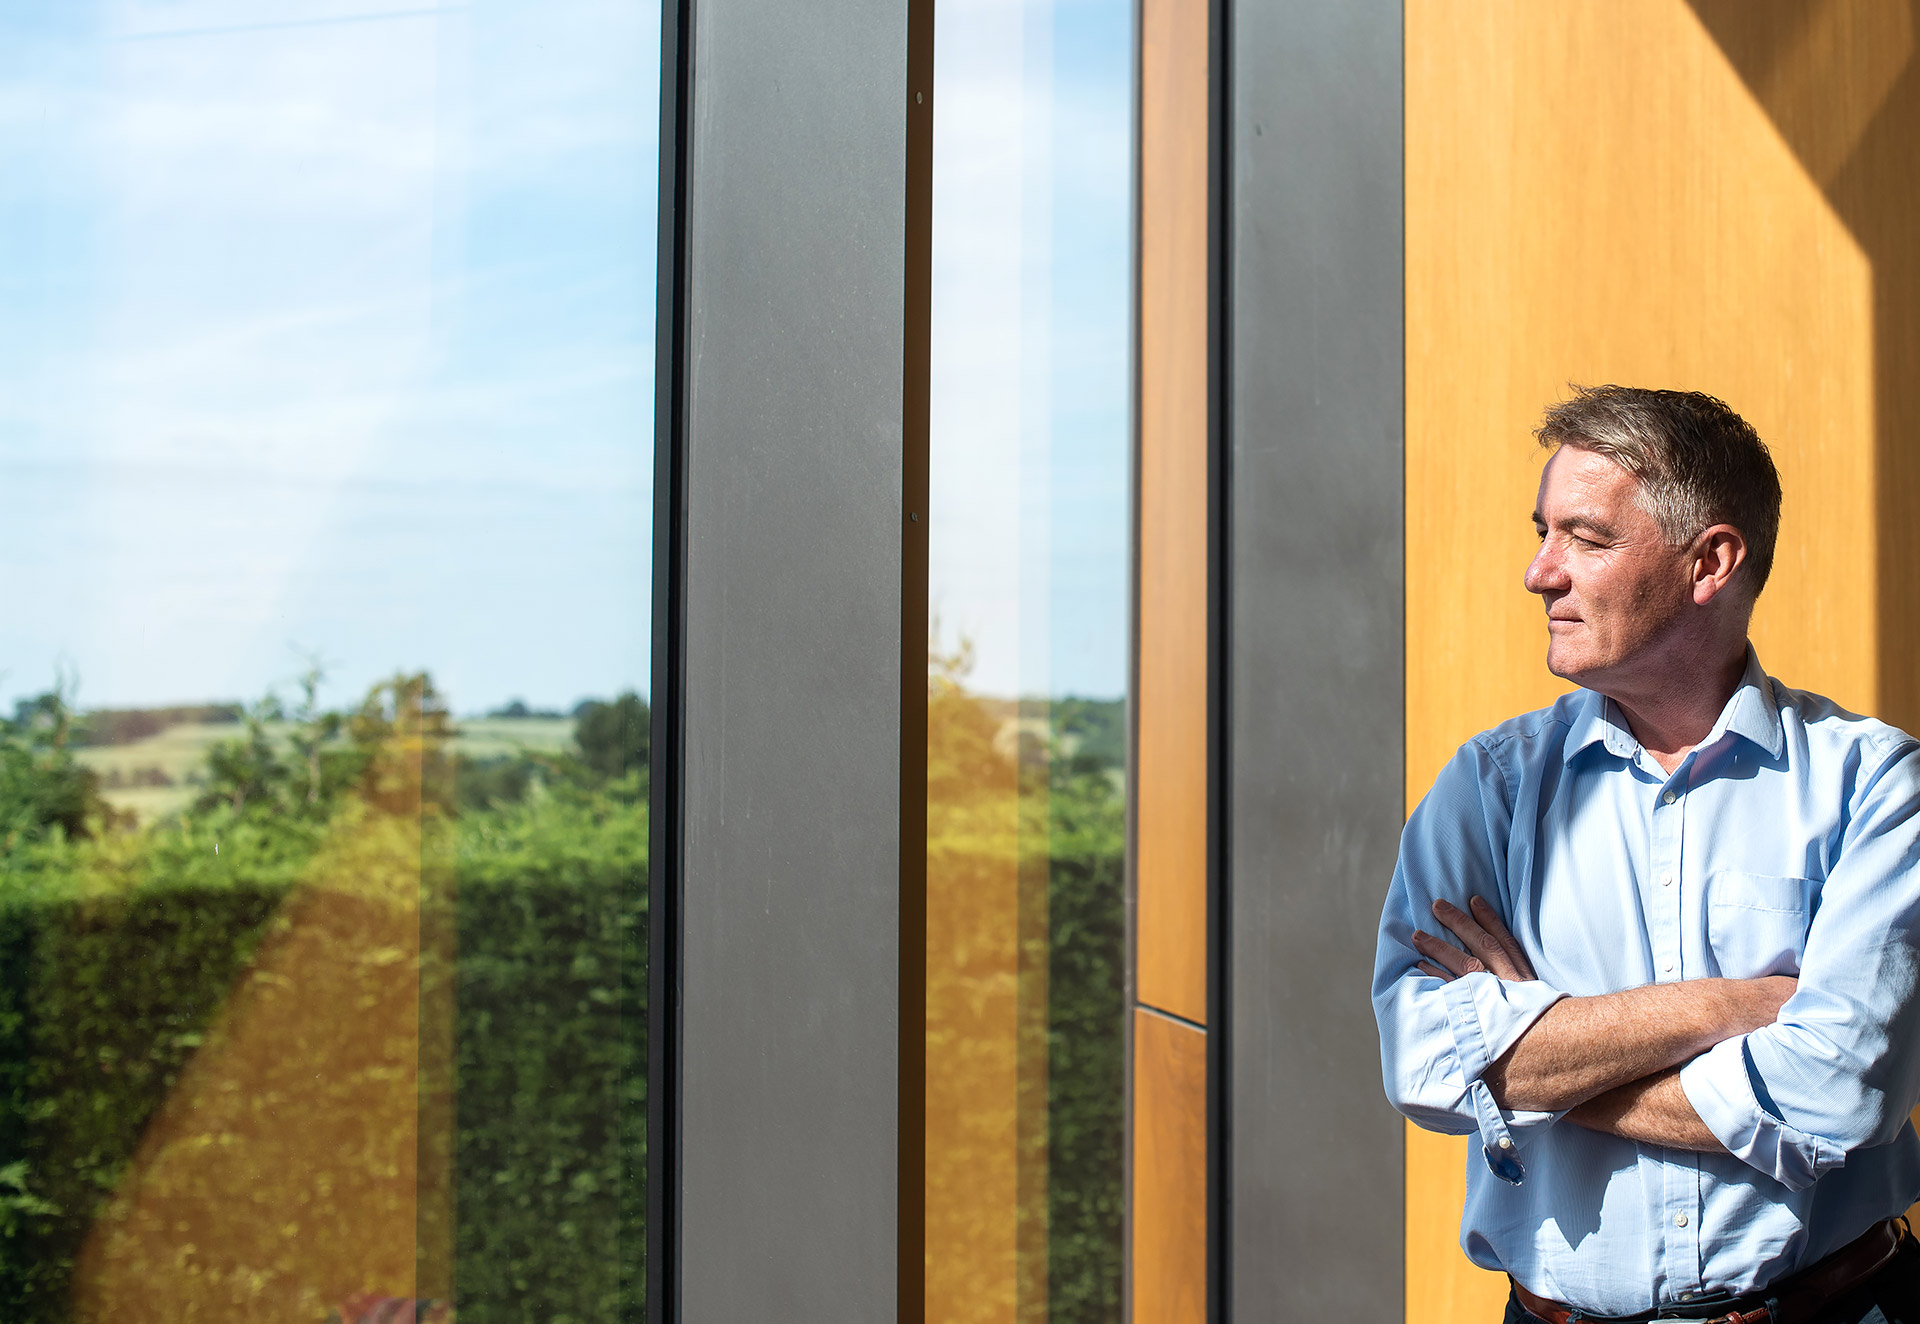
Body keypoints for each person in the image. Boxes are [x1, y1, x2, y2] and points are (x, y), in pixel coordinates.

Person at [1373, 386, 1920, 1324]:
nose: (1540, 573)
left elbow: (1837, 1091)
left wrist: (1531, 1048)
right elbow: (1423, 1061)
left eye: (1585, 538)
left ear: (1709, 562)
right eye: (1542, 532)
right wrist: (1735, 1007)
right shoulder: (1490, 787)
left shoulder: (1877, 785)